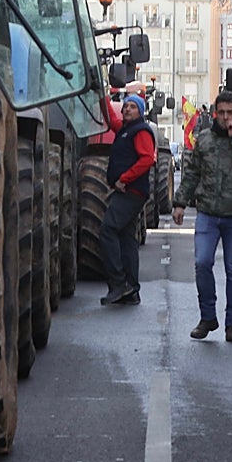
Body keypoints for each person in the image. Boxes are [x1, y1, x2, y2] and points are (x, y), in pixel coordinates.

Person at [172, 91, 232, 342]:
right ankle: (207, 316)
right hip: (208, 214)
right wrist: (179, 203)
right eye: (220, 113)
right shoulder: (204, 140)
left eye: (230, 113)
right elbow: (191, 175)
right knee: (202, 263)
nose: (225, 118)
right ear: (214, 113)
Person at [99, 91, 155, 306]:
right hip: (130, 191)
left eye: (132, 106)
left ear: (140, 111)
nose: (127, 109)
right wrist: (102, 92)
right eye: (125, 106)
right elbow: (111, 120)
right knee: (127, 239)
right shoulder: (125, 130)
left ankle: (118, 282)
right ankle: (131, 290)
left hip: (130, 192)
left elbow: (147, 159)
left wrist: (123, 179)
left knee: (108, 230)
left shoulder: (140, 131)